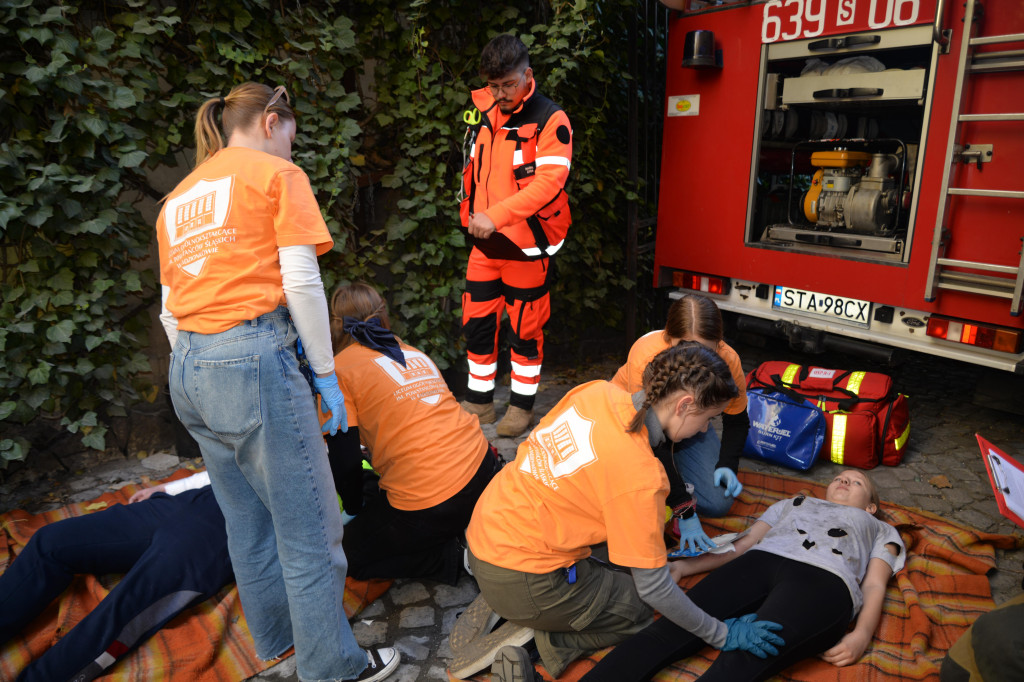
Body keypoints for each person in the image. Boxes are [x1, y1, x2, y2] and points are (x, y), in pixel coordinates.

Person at [156, 82, 397, 682]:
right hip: (255, 361)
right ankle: (334, 668)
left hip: (188, 366)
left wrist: (205, 364)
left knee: (247, 521)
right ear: (270, 121)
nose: (293, 148)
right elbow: (303, 282)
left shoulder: (178, 198)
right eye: (291, 133)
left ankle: (277, 642)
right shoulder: (275, 174)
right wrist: (323, 372)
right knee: (312, 528)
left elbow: (168, 309)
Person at [450, 344, 784, 682]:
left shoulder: (597, 391)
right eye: (708, 419)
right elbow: (654, 590)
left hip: (485, 534)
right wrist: (720, 634)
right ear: (685, 405)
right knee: (637, 609)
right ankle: (541, 639)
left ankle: (518, 602)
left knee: (622, 563)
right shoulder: (642, 476)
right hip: (521, 576)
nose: (702, 431)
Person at [580, 469, 907, 682]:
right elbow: (745, 543)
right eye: (840, 477)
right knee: (670, 628)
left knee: (745, 657)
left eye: (857, 482)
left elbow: (875, 583)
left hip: (824, 580)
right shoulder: (794, 502)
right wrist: (683, 567)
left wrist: (862, 634)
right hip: (760, 561)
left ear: (871, 508)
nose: (845, 481)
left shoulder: (881, 529)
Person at [323, 282, 502, 584]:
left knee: (347, 557)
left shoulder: (337, 372)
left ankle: (459, 558)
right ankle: (468, 526)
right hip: (484, 470)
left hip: (432, 503)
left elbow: (346, 459)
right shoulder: (409, 350)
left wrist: (354, 510)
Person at [0, 474, 230, 682]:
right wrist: (177, 487)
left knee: (126, 609)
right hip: (205, 495)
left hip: (239, 523)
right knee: (50, 543)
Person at [458, 33, 574, 438]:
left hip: (528, 246)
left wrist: (496, 214)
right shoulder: (484, 111)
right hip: (484, 243)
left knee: (524, 330)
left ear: (528, 75)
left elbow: (549, 184)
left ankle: (521, 408)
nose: (501, 93)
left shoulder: (550, 119)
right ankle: (479, 401)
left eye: (508, 84)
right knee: (476, 323)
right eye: (494, 85)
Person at [611, 294, 750, 553]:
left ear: (719, 344)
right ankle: (672, 484)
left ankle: (675, 478)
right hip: (637, 428)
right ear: (668, 337)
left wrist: (727, 464)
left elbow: (737, 420)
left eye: (705, 351)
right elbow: (646, 436)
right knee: (640, 497)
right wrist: (683, 507)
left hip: (684, 427)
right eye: (685, 347)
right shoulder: (645, 354)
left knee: (719, 503)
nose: (696, 359)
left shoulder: (729, 360)